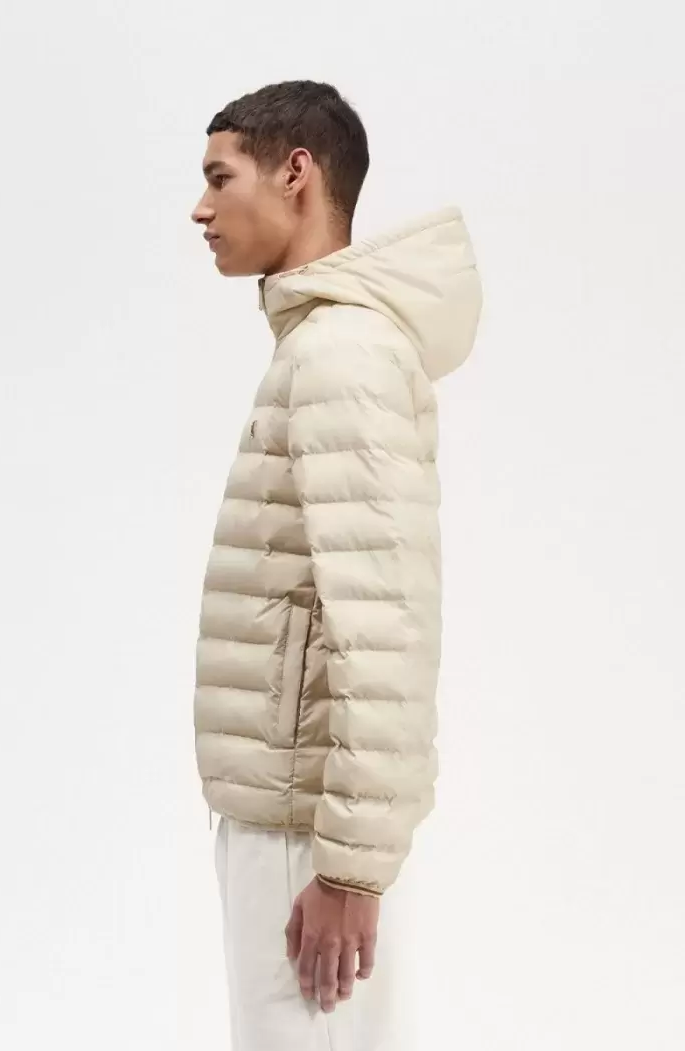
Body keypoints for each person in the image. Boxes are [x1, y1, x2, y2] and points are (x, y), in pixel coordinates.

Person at [190, 79, 482, 1051]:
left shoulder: (339, 353)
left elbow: (384, 616)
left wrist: (349, 864)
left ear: (296, 173)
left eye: (219, 177)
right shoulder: (324, 343)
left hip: (302, 826)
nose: (200, 209)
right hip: (297, 815)